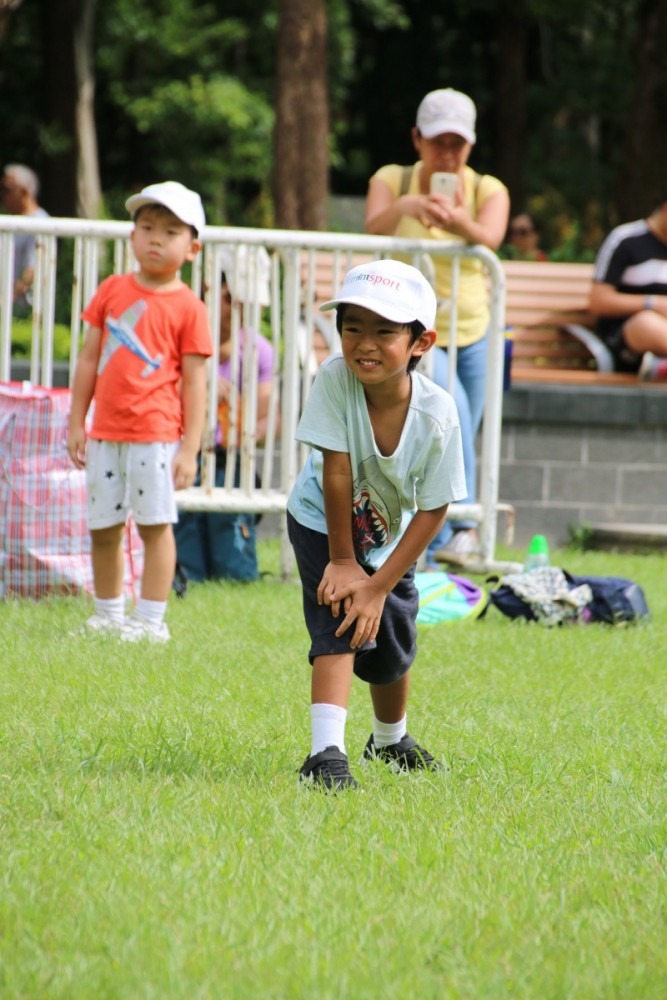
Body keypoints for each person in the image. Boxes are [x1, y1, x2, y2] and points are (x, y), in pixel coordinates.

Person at [287, 259, 466, 791]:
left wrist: (380, 585)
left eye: (384, 331)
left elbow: (434, 507)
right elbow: (336, 470)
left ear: (420, 342)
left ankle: (390, 740)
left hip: (392, 538)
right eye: (353, 327)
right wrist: (344, 562)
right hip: (321, 522)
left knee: (391, 640)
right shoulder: (334, 378)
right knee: (340, 619)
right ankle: (325, 754)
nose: (364, 344)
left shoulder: (438, 414)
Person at [364, 88, 509, 566]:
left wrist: (460, 220)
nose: (447, 153)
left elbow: (492, 237)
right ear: (417, 139)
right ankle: (462, 527)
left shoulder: (488, 189)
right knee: (453, 411)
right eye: (437, 142)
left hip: (474, 328)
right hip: (417, 332)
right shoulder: (392, 179)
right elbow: (372, 225)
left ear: (470, 145)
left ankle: (440, 533)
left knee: (456, 427)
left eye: (456, 144)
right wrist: (408, 206)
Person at [67, 181, 213, 641]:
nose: (155, 239)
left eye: (170, 232)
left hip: (156, 435)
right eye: (146, 227)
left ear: (192, 248)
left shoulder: (190, 307)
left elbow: (195, 383)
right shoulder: (111, 290)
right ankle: (107, 614)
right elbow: (88, 359)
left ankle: (150, 621)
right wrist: (77, 422)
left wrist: (189, 449)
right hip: (105, 433)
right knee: (104, 527)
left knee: (154, 526)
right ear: (131, 236)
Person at [174, 245, 276, 583]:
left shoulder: (258, 350)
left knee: (236, 569)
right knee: (185, 552)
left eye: (249, 303)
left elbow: (267, 420)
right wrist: (198, 385)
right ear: (208, 289)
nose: (239, 311)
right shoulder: (179, 337)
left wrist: (248, 427)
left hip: (229, 459)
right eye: (231, 299)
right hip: (180, 453)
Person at [589, 194, 667, 380]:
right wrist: (653, 303)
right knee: (646, 323)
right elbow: (598, 301)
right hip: (626, 340)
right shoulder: (625, 239)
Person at [1, 163, 50, 315]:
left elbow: (31, 271)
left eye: (6, 189)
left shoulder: (40, 222)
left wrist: (5, 301)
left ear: (23, 191)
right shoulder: (12, 221)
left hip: (19, 311)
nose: (3, 195)